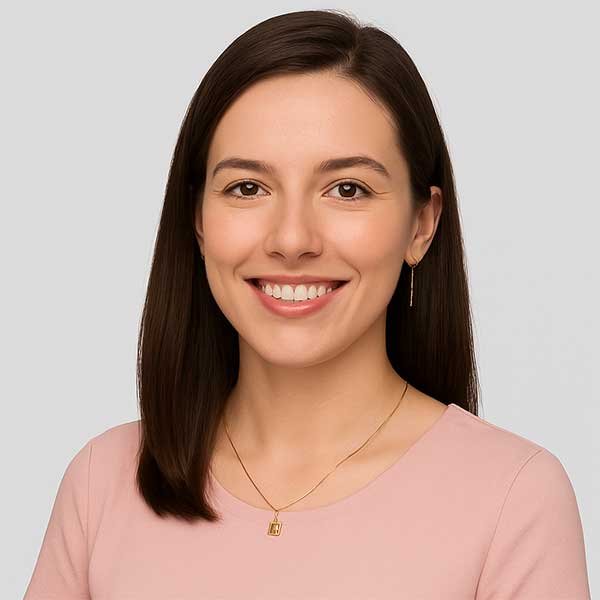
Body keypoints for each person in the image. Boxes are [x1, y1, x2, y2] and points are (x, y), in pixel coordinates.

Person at [24, 9, 591, 599]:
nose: (292, 239)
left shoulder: (512, 497)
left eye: (347, 189)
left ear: (422, 224)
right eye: (248, 188)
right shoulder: (101, 484)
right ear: (198, 219)